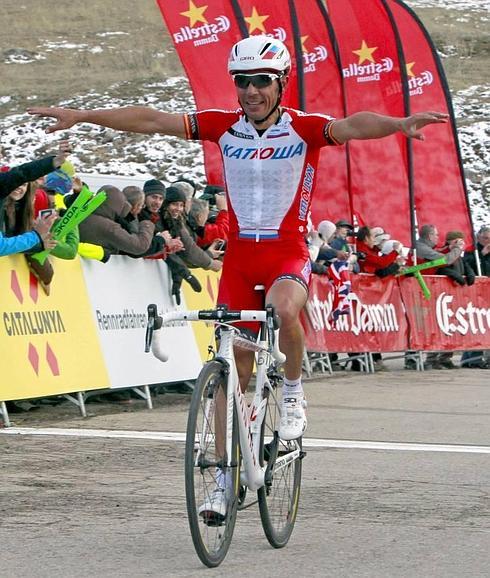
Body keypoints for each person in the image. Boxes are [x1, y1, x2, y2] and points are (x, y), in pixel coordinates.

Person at [28, 34, 449, 514]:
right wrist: (83, 117)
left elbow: (353, 125)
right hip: (241, 260)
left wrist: (397, 123)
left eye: (261, 82)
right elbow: (151, 120)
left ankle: (292, 392)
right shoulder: (223, 126)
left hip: (287, 251)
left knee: (283, 307)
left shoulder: (305, 128)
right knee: (233, 373)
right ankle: (224, 482)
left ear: (281, 84)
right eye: (242, 81)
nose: (251, 91)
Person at [462, 225, 490, 368]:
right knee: (477, 324)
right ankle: (473, 359)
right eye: (485, 238)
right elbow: (467, 265)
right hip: (475, 291)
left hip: (487, 291)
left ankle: (471, 358)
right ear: (479, 237)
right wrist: (482, 255)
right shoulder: (471, 250)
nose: (488, 241)